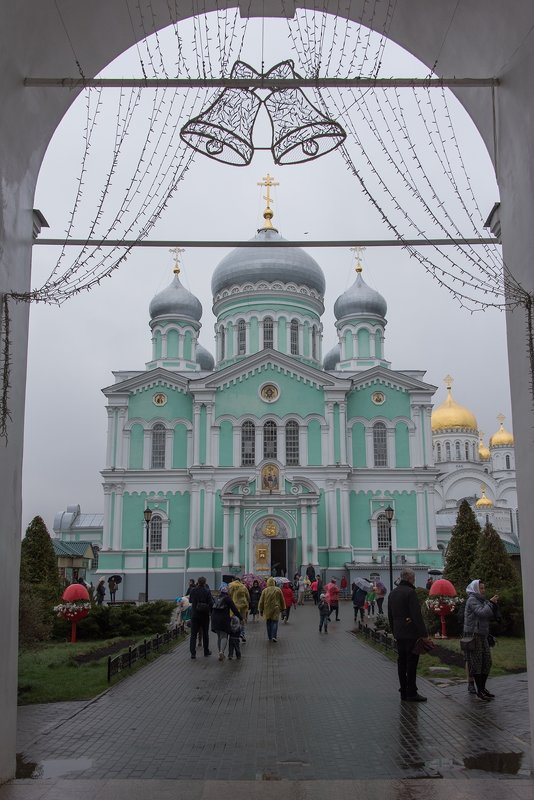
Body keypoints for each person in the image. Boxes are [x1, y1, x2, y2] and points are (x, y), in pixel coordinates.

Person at [388, 568, 430, 702]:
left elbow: (390, 615)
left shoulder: (393, 593)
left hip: (399, 633)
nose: (415, 580)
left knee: (401, 662)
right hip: (411, 633)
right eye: (414, 578)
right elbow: (416, 615)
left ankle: (403, 691)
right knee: (411, 663)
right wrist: (423, 634)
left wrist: (394, 631)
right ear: (410, 578)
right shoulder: (410, 592)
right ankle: (411, 692)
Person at [463, 579, 499, 701]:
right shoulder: (472, 599)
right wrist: (491, 603)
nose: (483, 590)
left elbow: (488, 615)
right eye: (481, 588)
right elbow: (482, 613)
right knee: (477, 663)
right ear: (475, 589)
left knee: (487, 662)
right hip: (474, 635)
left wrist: (491, 604)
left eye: (484, 588)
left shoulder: (480, 599)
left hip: (482, 635)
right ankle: (480, 690)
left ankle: (482, 688)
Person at [211, 583, 241, 661]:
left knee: (219, 637)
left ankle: (220, 652)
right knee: (224, 636)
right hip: (223, 619)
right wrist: (241, 618)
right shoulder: (227, 598)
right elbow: (234, 609)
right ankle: (222, 652)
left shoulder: (216, 597)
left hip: (214, 619)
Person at [189, 576, 213, 659]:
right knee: (205, 634)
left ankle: (193, 653)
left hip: (195, 615)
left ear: (198, 582)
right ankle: (206, 651)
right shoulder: (207, 591)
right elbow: (211, 602)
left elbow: (190, 601)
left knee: (193, 635)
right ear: (205, 583)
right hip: (204, 615)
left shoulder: (193, 590)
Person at [258, 576, 285, 642]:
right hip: (276, 608)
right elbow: (282, 600)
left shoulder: (265, 590)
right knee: (275, 622)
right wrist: (283, 608)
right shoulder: (278, 589)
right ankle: (274, 636)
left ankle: (270, 636)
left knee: (268, 622)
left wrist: (261, 610)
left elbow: (261, 601)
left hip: (267, 609)